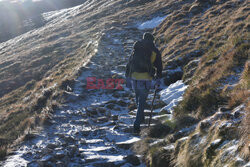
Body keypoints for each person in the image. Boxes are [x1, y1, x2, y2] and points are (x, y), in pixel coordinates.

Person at [125, 32, 163, 133]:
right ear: (152, 40)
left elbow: (129, 62)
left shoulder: (137, 47)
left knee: (138, 99)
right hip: (146, 78)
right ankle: (137, 125)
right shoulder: (154, 50)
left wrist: (127, 77)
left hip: (134, 77)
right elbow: (159, 66)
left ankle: (140, 117)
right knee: (142, 101)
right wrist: (158, 79)